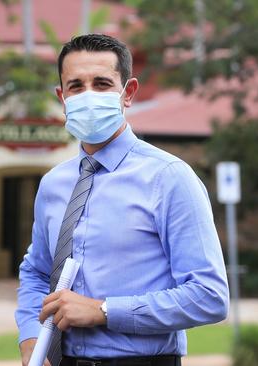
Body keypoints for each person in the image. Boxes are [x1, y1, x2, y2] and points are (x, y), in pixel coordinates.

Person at [15, 34, 229, 366]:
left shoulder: (169, 177)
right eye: (76, 86)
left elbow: (209, 296)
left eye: (101, 84)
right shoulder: (53, 184)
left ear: (127, 93)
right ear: (62, 96)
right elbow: (37, 271)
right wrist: (30, 337)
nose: (88, 95)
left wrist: (103, 310)